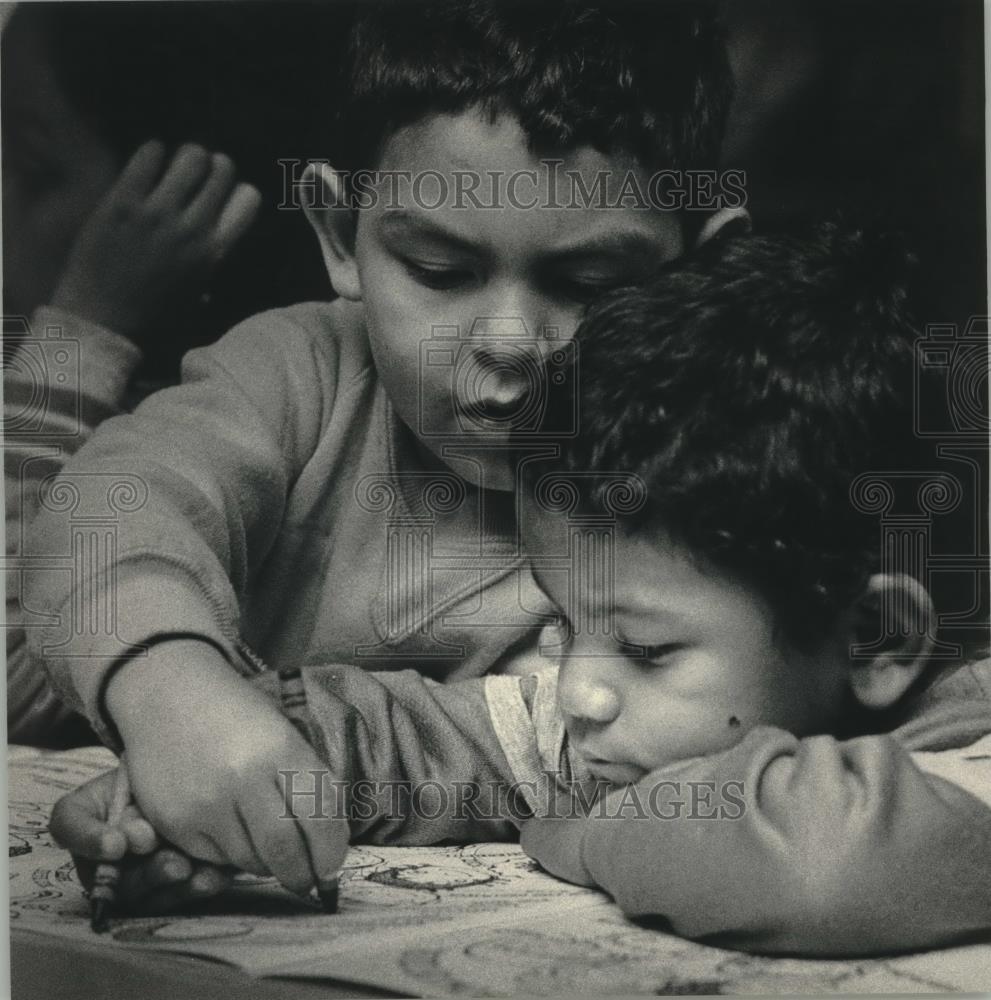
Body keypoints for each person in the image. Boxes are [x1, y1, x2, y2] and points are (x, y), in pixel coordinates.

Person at [53, 224, 991, 955]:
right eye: (566, 619)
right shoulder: (619, 721)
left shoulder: (970, 736)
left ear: (874, 639)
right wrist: (208, 769)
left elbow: (824, 863)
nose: (576, 688)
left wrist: (580, 833)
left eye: (645, 647)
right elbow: (416, 741)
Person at [25, 0, 743, 899]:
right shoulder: (295, 376)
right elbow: (106, 511)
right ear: (337, 235)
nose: (511, 342)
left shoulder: (715, 474)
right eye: (441, 272)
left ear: (699, 273)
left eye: (589, 284)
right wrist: (172, 691)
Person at [3, 3, 261, 745]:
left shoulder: (223, 429)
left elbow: (12, 681)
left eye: (34, 168)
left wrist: (85, 326)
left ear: (186, 201)